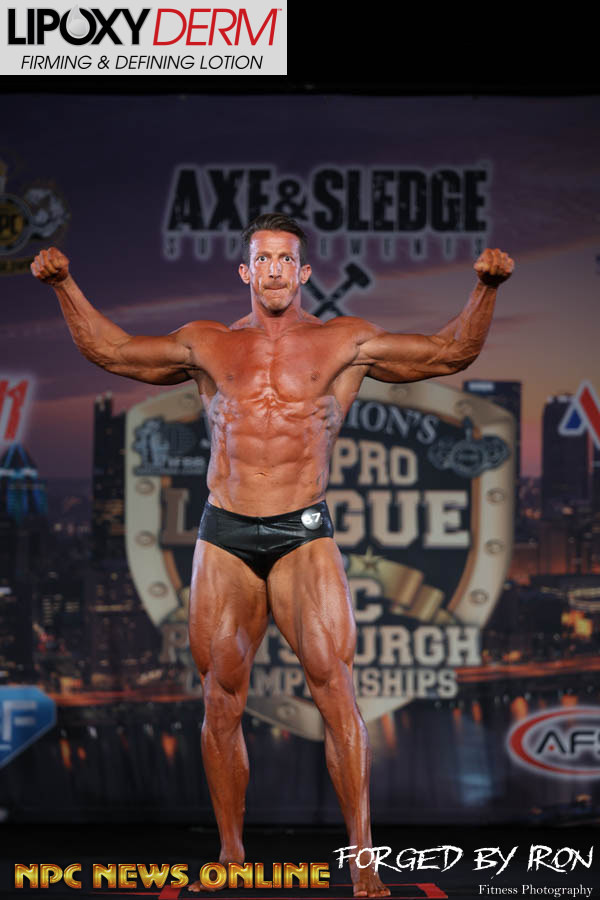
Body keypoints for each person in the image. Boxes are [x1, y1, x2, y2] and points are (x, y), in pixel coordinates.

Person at [31, 214, 514, 896]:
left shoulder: (344, 341)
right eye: (264, 259)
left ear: (304, 271)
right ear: (246, 271)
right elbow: (112, 351)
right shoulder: (208, 343)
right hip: (225, 535)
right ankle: (232, 854)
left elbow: (448, 352)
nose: (276, 269)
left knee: (336, 692)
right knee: (221, 700)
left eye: (287, 259)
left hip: (303, 533)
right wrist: (64, 285)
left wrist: (486, 288)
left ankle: (364, 861)